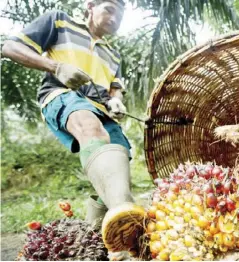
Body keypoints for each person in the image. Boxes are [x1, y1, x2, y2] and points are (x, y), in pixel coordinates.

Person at [2, 0, 145, 252]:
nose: (114, 19)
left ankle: (94, 241)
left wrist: (116, 101)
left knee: (118, 161)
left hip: (103, 111)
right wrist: (55, 66)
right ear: (90, 6)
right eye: (109, 10)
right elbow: (10, 47)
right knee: (90, 127)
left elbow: (115, 88)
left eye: (119, 16)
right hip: (62, 94)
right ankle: (127, 221)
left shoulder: (114, 54)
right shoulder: (59, 21)